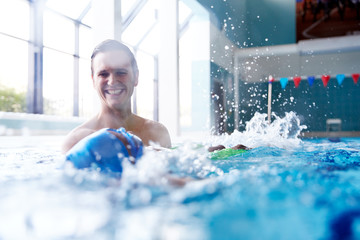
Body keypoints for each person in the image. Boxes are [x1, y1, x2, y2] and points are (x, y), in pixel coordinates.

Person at [62, 40, 171, 153]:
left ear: (136, 77)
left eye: (121, 72)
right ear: (93, 80)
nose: (112, 81)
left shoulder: (157, 133)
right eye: (103, 74)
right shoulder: (76, 142)